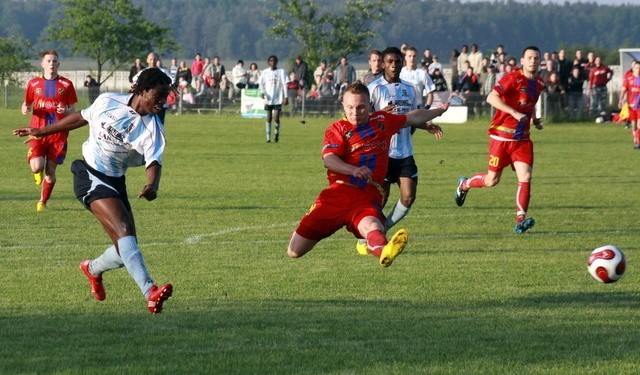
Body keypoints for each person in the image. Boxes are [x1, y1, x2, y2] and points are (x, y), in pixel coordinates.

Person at [14, 68, 174, 314]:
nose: (164, 101)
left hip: (115, 181)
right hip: (88, 173)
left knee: (126, 249)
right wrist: (40, 131)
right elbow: (81, 117)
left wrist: (153, 184)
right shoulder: (108, 100)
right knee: (124, 234)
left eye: (167, 96)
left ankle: (92, 268)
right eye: (159, 95)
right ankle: (150, 292)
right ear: (142, 91)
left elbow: (154, 162)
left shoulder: (152, 128)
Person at [287, 81, 449, 267]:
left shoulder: (382, 121)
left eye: (361, 107)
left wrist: (439, 111)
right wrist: (353, 170)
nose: (355, 113)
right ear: (343, 106)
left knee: (373, 226)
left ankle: (384, 252)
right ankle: (380, 247)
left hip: (366, 196)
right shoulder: (337, 129)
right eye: (350, 107)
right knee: (294, 251)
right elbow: (329, 159)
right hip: (337, 194)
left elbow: (412, 117)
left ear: (370, 104)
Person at [356, 47, 443, 255]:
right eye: (390, 62)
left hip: (405, 153)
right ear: (383, 64)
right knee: (380, 199)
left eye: (397, 61)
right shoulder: (375, 88)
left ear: (402, 63)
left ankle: (381, 230)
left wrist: (427, 125)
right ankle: (367, 235)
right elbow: (362, 120)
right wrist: (378, 115)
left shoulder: (411, 89)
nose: (394, 65)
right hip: (382, 154)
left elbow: (412, 116)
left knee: (408, 197)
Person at [454, 46, 545, 234]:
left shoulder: (538, 84)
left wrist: (534, 119)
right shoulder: (512, 78)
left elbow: (531, 103)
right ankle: (465, 184)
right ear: (522, 60)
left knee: (525, 177)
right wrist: (513, 112)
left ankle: (520, 218)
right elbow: (491, 97)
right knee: (491, 180)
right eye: (529, 57)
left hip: (522, 140)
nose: (533, 61)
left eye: (536, 58)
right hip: (501, 137)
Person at [21, 50, 78, 212]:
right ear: (42, 64)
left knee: (50, 171)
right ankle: (35, 167)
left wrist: (64, 111)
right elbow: (27, 104)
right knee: (37, 167)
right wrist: (25, 108)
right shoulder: (33, 84)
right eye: (49, 61)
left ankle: (42, 201)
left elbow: (73, 110)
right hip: (38, 131)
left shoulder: (66, 84)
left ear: (58, 64)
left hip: (58, 134)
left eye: (54, 61)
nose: (51, 63)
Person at [259, 55, 288, 143]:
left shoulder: (281, 71)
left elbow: (285, 84)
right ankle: (268, 137)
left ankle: (276, 133)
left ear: (276, 62)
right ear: (268, 62)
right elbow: (261, 83)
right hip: (268, 98)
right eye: (271, 61)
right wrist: (263, 92)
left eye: (274, 61)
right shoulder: (265, 72)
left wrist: (285, 96)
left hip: (277, 98)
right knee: (268, 117)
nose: (273, 62)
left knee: (276, 117)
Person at [619, 60, 640, 148]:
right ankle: (635, 140)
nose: (638, 69)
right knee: (633, 125)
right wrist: (620, 100)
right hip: (631, 106)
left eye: (639, 68)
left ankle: (638, 142)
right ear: (633, 69)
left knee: (639, 124)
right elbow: (624, 90)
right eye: (637, 68)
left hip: (639, 106)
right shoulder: (629, 78)